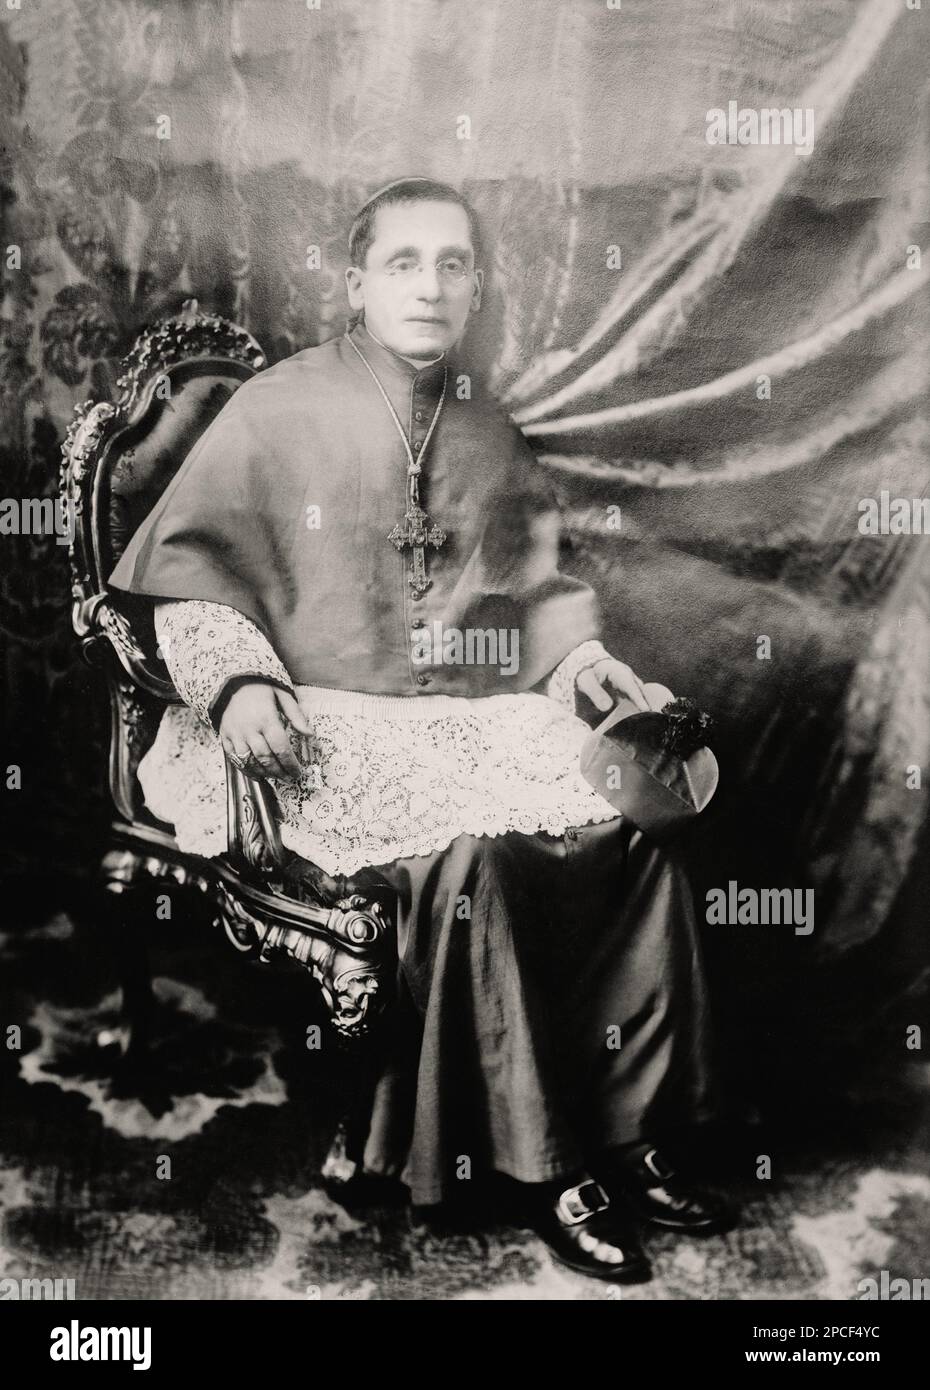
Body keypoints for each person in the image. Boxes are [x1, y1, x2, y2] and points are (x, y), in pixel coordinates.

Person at [110, 177, 734, 1282]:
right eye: (404, 262)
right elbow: (193, 579)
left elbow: (541, 600)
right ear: (357, 284)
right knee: (472, 865)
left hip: (463, 717)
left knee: (642, 836)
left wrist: (590, 673)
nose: (430, 285)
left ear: (478, 286)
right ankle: (548, 1165)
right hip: (317, 724)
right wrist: (240, 681)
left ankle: (638, 1133)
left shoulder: (489, 426)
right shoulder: (278, 406)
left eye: (453, 264)